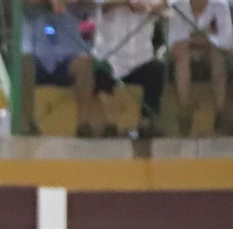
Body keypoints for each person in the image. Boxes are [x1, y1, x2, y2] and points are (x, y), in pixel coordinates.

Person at [21, 0, 100, 135]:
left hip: (68, 57)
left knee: (85, 65)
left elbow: (97, 3)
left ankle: (83, 125)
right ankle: (27, 123)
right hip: (37, 55)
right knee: (24, 63)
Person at [93, 0, 169, 136]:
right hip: (111, 57)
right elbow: (103, 4)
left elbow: (162, 5)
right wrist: (127, 3)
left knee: (157, 69)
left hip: (140, 58)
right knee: (100, 72)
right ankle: (110, 124)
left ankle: (146, 121)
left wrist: (151, 7)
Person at [168, 0, 233, 135]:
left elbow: (226, 38)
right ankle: (184, 111)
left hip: (210, 46)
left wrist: (208, 39)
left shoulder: (220, 4)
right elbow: (173, 42)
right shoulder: (177, 5)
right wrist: (192, 40)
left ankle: (220, 110)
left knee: (217, 56)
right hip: (184, 47)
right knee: (182, 57)